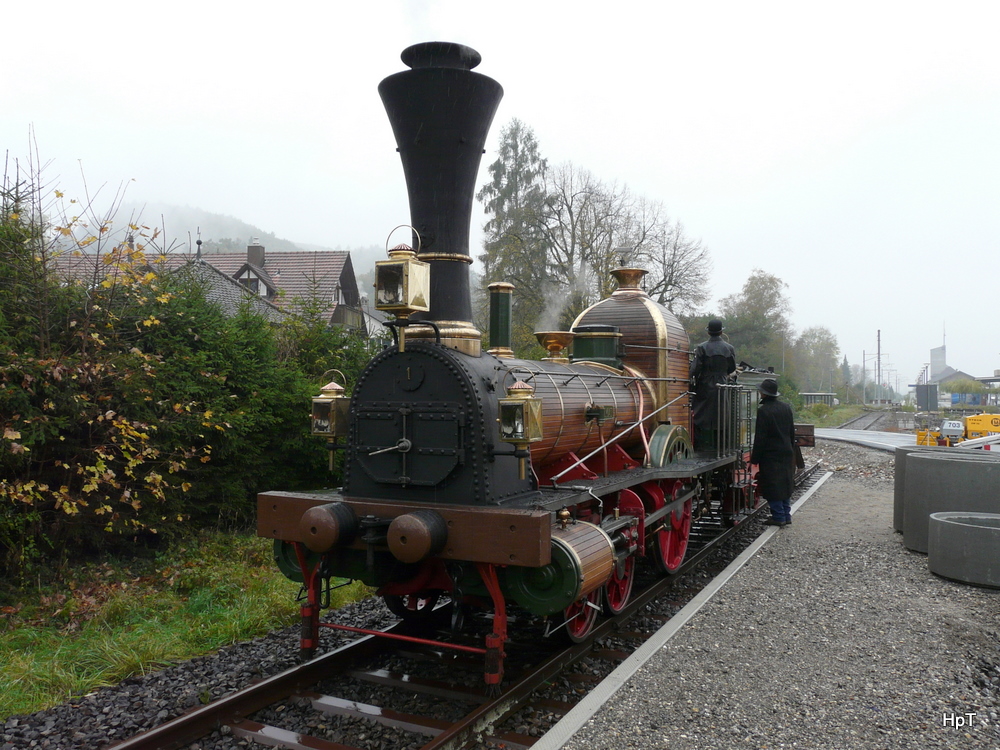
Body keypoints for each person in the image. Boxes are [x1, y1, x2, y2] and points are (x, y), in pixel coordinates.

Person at [750, 378, 796, 526]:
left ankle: (778, 517)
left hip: (770, 454)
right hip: (786, 451)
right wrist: (791, 448)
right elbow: (791, 432)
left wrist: (755, 458)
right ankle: (786, 515)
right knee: (785, 483)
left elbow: (761, 437)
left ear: (764, 393)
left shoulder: (764, 411)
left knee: (772, 485)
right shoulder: (786, 407)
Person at [690, 319, 737, 451]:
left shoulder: (701, 347)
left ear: (708, 332)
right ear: (721, 332)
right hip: (722, 383)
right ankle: (720, 445)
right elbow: (732, 367)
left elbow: (695, 368)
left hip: (704, 383)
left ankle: (700, 444)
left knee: (700, 412)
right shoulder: (729, 348)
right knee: (721, 412)